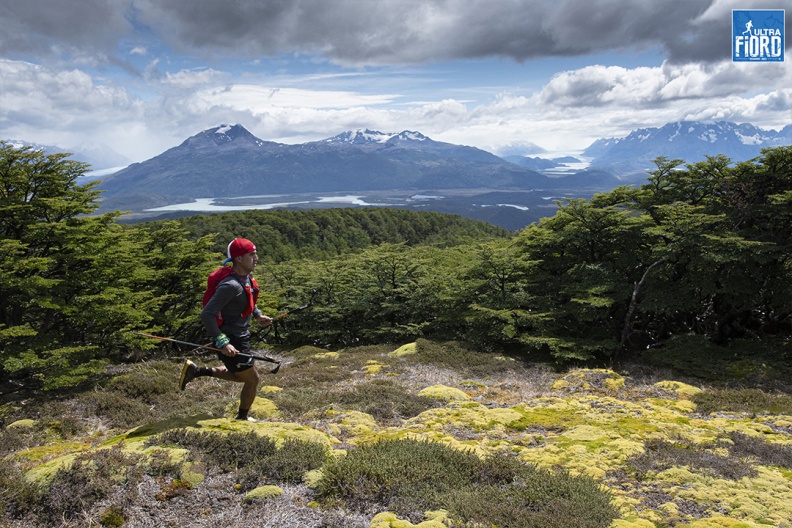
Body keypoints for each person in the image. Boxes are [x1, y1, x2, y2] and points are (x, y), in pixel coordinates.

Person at [179, 238, 273, 421]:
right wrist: (223, 342)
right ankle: (242, 418)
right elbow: (207, 315)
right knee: (252, 379)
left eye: (255, 253)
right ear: (238, 258)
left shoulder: (247, 278)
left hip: (241, 337)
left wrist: (258, 315)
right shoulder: (229, 285)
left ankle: (196, 371)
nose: (256, 258)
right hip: (231, 339)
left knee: (241, 376)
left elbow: (249, 300)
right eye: (251, 254)